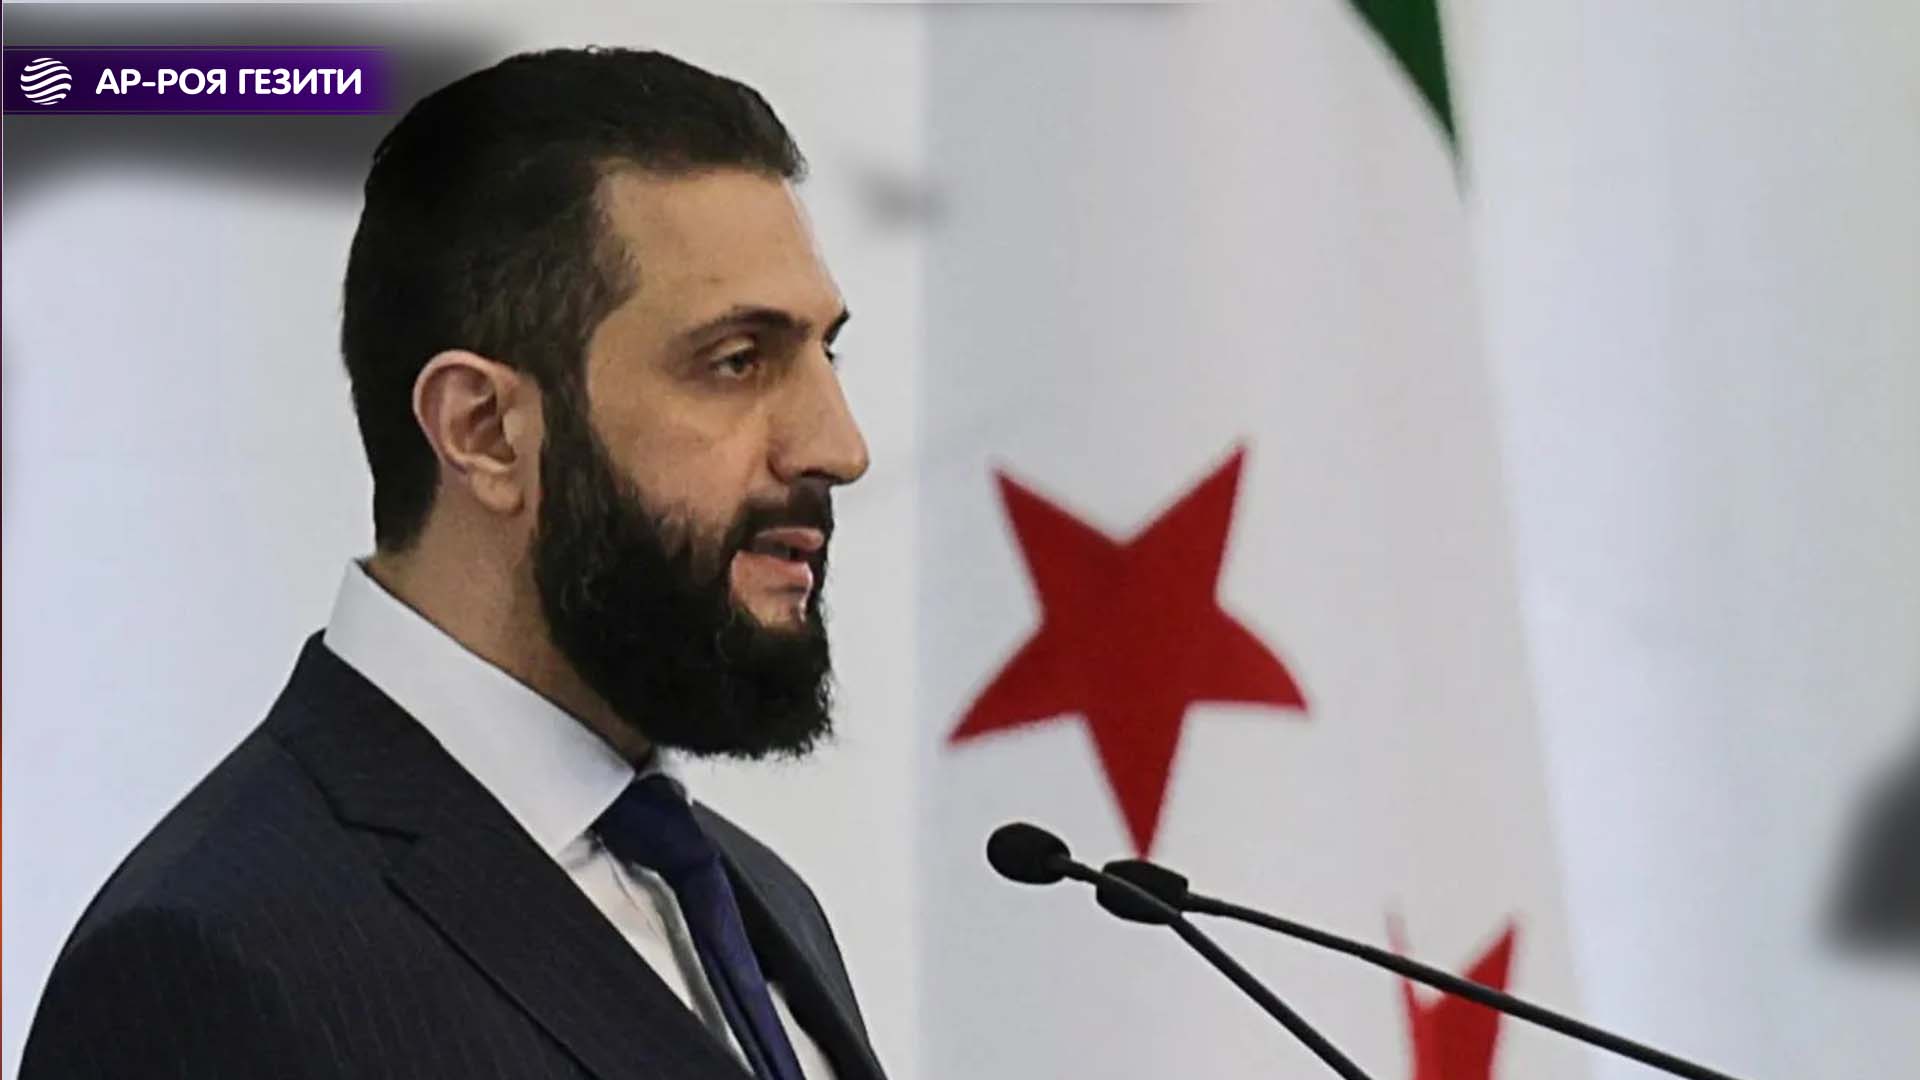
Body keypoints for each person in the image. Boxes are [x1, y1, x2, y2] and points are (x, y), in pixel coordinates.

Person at [21, 47, 884, 1080]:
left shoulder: (759, 900)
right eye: (737, 361)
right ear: (484, 431)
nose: (839, 446)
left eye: (825, 352)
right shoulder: (209, 960)